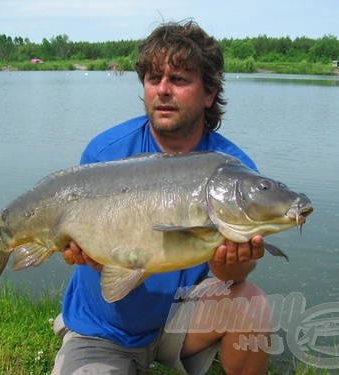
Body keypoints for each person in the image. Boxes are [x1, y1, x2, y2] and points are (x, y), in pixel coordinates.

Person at [52, 20, 271, 375]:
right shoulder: (105, 154)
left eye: (179, 80)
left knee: (252, 304)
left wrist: (234, 263)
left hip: (180, 318)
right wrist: (80, 250)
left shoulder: (233, 171)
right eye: (154, 79)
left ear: (209, 93)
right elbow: (83, 250)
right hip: (104, 328)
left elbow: (235, 273)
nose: (163, 90)